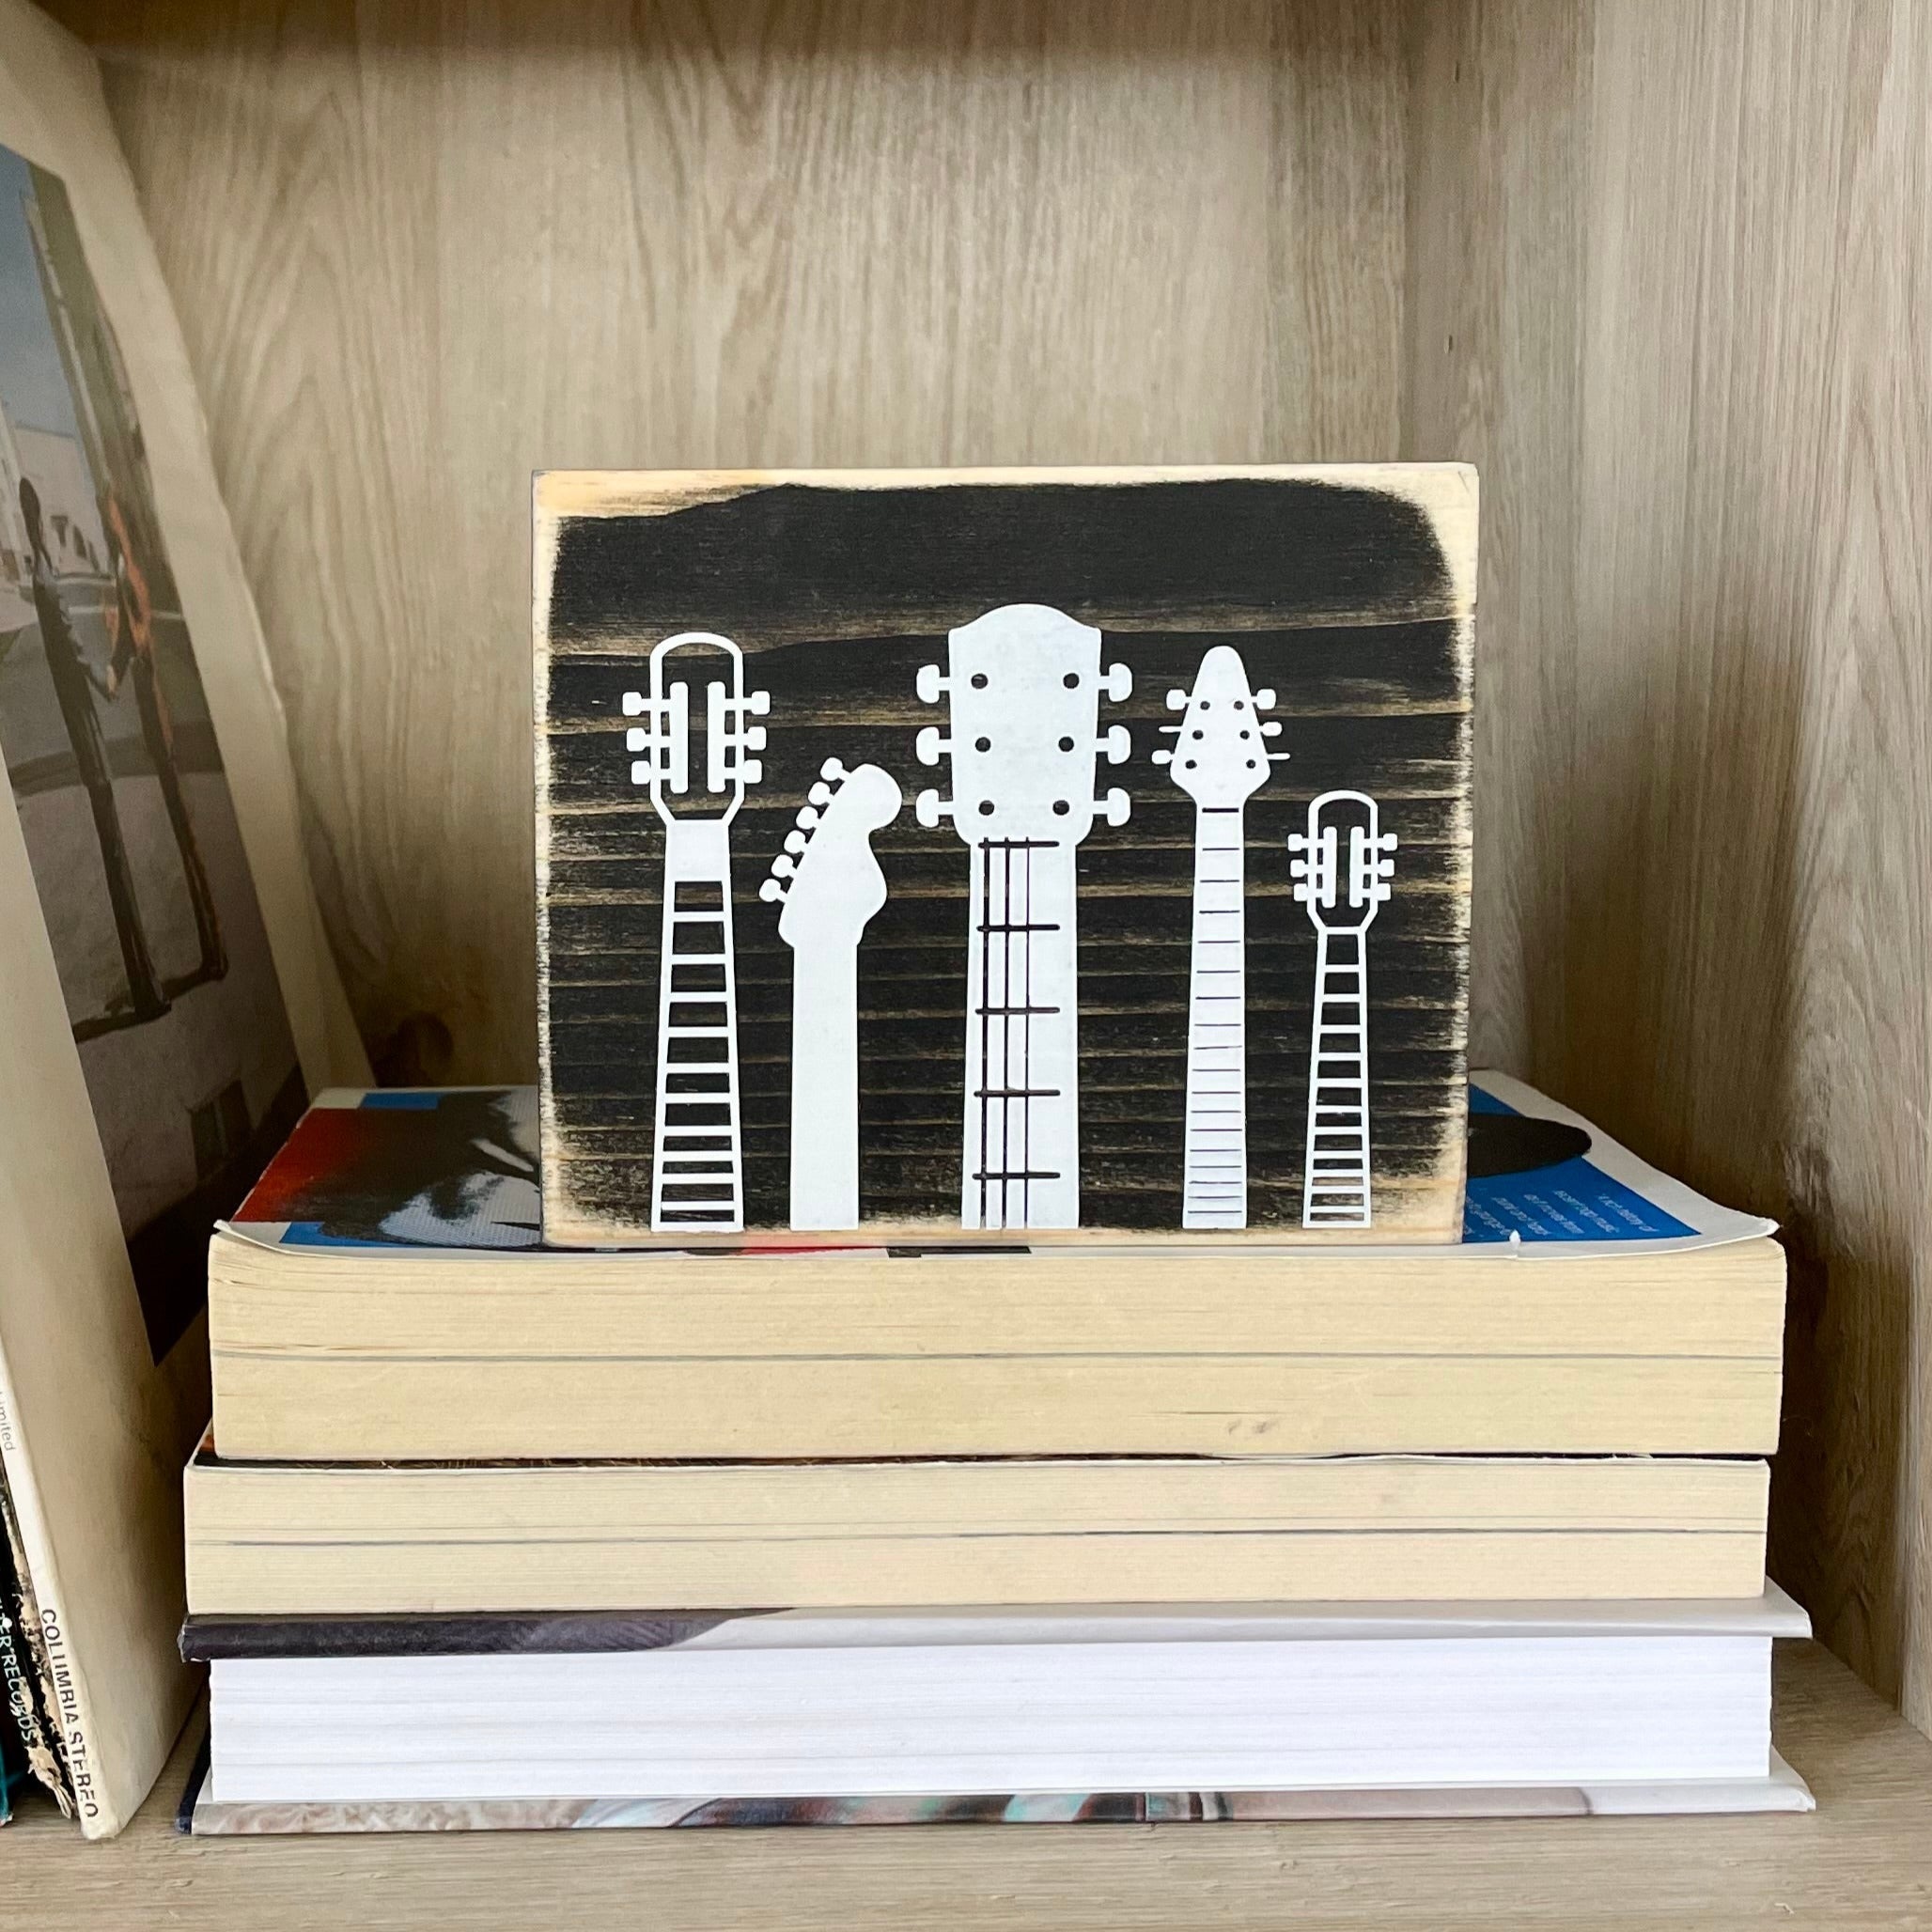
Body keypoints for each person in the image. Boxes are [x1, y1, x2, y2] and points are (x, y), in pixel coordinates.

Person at [18, 476, 169, 1021]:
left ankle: (145, 983)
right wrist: (110, 674)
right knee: (115, 856)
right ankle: (145, 984)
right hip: (89, 738)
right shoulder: (47, 581)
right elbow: (78, 655)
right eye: (44, 525)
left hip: (88, 742)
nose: (49, 534)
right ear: (37, 526)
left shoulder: (44, 577)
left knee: (115, 857)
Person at [103, 491, 226, 981]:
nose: (109, 526)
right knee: (181, 831)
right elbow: (121, 654)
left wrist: (119, 633)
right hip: (147, 709)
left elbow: (140, 636)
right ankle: (210, 944)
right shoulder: (120, 570)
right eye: (103, 517)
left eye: (112, 518)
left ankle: (214, 946)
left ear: (125, 523)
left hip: (157, 709)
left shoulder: (132, 572)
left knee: (187, 831)